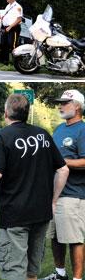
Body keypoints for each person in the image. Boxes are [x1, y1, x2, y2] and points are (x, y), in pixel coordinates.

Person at [0, 94, 69, 280]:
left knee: (14, 270)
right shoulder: (43, 135)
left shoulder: (2, 136)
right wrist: (53, 201)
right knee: (32, 270)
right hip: (41, 213)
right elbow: (63, 170)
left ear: (6, 112)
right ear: (26, 112)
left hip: (15, 215)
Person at [41, 89, 85, 280]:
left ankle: (76, 278)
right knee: (56, 236)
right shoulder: (59, 129)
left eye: (64, 103)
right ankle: (60, 274)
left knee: (75, 239)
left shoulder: (82, 130)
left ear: (77, 106)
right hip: (54, 195)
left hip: (73, 195)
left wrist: (61, 162)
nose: (60, 106)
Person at [0, 0, 23, 65]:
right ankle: (5, 62)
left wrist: (10, 27)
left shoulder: (18, 7)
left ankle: (16, 62)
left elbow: (19, 19)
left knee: (12, 45)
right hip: (6, 28)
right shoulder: (8, 6)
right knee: (4, 44)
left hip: (13, 28)